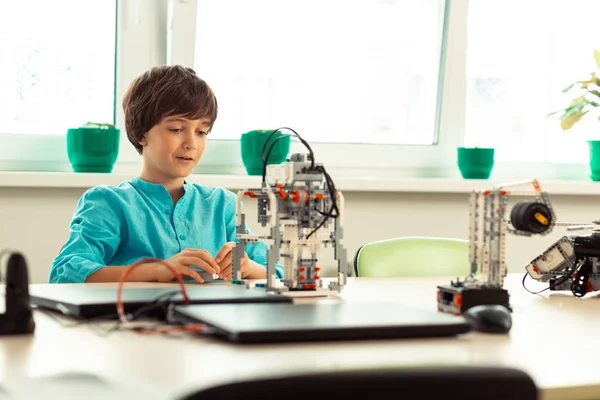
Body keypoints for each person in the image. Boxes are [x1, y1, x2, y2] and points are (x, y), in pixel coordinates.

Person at [49, 65, 282, 283]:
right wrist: (160, 270)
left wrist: (249, 267)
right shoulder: (108, 203)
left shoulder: (224, 205)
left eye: (201, 132)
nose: (191, 143)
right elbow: (65, 273)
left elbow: (277, 271)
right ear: (142, 134)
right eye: (177, 129)